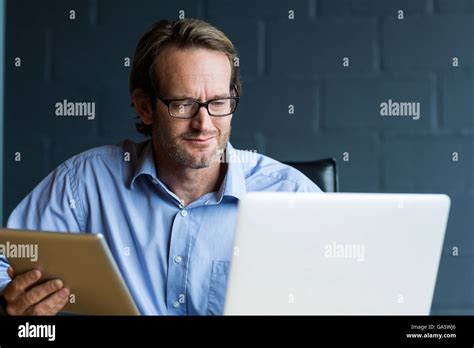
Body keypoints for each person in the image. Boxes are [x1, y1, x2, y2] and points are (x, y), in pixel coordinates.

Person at [0, 18, 321, 316]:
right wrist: (8, 304)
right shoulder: (85, 184)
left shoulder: (291, 195)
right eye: (183, 104)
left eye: (219, 103)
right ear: (145, 108)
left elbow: (348, 289)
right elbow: (6, 260)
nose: (204, 124)